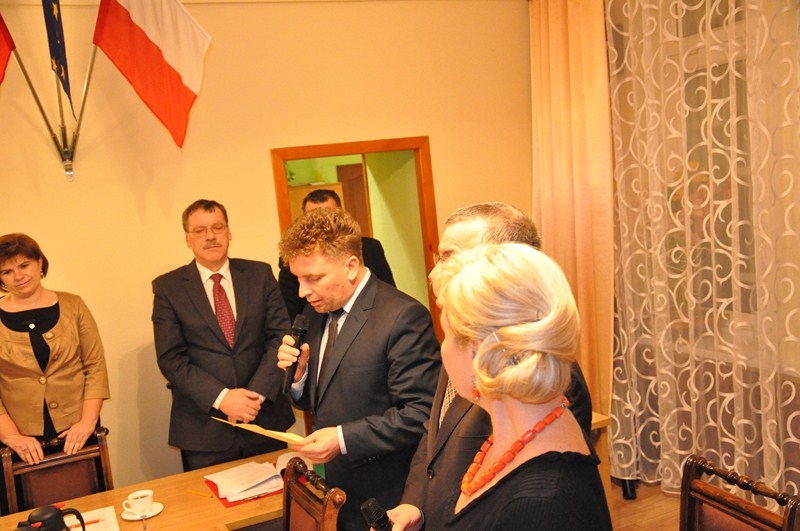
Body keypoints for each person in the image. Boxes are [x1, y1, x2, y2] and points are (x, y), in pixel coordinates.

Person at [390, 202, 593, 530]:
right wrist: (418, 504)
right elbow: (436, 437)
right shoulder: (489, 355)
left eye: (448, 256)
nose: (433, 273)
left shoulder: (541, 502)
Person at [425, 242, 611, 529]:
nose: (443, 348)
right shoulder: (526, 426)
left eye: (446, 334)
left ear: (477, 353)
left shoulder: (540, 509)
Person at [276, 207, 440, 530]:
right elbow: (320, 400)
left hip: (386, 498)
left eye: (313, 278)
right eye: (298, 279)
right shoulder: (315, 314)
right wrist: (299, 378)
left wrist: (342, 438)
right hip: (335, 495)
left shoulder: (402, 316)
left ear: (351, 266)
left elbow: (420, 413)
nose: (302, 291)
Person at [152, 199, 294, 471]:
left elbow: (281, 337)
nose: (210, 236)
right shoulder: (168, 288)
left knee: (277, 496)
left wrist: (255, 396)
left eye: (217, 227)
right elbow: (171, 358)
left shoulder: (260, 274)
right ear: (188, 239)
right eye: (200, 230)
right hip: (204, 429)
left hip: (264, 420)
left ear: (229, 232)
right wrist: (223, 398)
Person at [0, 233, 110, 466]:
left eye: (24, 265)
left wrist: (87, 423)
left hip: (77, 430)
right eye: (7, 271)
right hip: (19, 439)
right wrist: (11, 436)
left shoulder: (74, 304)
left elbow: (95, 366)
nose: (18, 276)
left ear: (40, 262)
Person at [278, 188, 395, 320]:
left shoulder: (397, 315)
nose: (303, 292)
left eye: (314, 278)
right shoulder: (311, 314)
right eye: (312, 217)